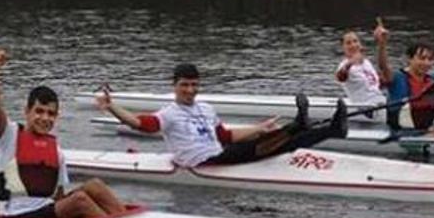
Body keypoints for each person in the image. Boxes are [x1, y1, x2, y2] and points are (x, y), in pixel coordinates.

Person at [95, 63, 349, 168]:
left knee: (272, 143)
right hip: (202, 164)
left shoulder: (206, 108)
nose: (190, 90)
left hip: (221, 154)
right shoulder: (169, 113)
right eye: (184, 85)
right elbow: (140, 124)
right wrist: (112, 107)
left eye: (194, 85)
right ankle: (298, 125)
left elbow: (225, 135)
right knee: (266, 146)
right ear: (174, 85)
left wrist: (259, 128)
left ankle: (328, 129)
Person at [0, 49, 126, 218]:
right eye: (39, 111)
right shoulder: (10, 135)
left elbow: (58, 196)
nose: (45, 118)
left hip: (45, 210)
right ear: (27, 112)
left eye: (51, 114)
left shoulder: (56, 151)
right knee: (79, 201)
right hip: (15, 213)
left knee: (95, 186)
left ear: (56, 117)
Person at [335, 26, 387, 108]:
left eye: (355, 41)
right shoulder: (344, 65)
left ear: (360, 44)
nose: (353, 45)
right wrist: (350, 63)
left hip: (379, 101)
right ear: (343, 48)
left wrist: (381, 43)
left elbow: (378, 84)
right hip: (364, 107)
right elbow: (340, 77)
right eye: (348, 43)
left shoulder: (367, 63)